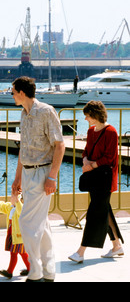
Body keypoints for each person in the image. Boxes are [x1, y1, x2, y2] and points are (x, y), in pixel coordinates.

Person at [11, 76, 65, 282]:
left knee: (27, 222)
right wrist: (17, 179)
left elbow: (59, 145)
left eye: (13, 91)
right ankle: (49, 270)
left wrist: (52, 176)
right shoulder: (24, 114)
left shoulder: (46, 111)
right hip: (27, 173)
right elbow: (23, 148)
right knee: (41, 224)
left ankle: (35, 270)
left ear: (22, 93)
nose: (12, 95)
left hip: (43, 173)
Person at [68, 101, 124, 263]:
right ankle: (116, 246)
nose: (85, 119)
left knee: (94, 213)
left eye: (87, 116)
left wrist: (90, 166)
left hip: (105, 178)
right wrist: (85, 160)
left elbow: (109, 157)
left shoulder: (111, 132)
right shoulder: (91, 130)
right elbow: (86, 150)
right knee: (104, 210)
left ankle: (81, 251)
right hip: (94, 177)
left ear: (95, 114)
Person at [0, 193, 31, 279]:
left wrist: (17, 201)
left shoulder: (22, 209)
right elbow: (0, 205)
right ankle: (30, 269)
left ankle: (9, 272)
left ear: (17, 200)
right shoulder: (10, 207)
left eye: (12, 197)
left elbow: (19, 210)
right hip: (11, 234)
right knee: (22, 253)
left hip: (18, 236)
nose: (10, 199)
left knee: (14, 253)